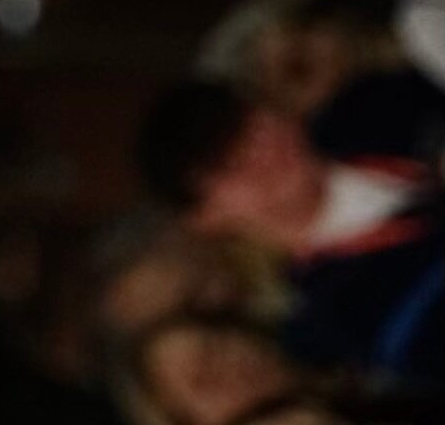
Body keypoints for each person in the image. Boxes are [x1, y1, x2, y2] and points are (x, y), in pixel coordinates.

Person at [137, 80, 445, 391]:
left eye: (249, 127)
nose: (260, 154)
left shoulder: (377, 105)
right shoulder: (345, 316)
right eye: (228, 166)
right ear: (206, 217)